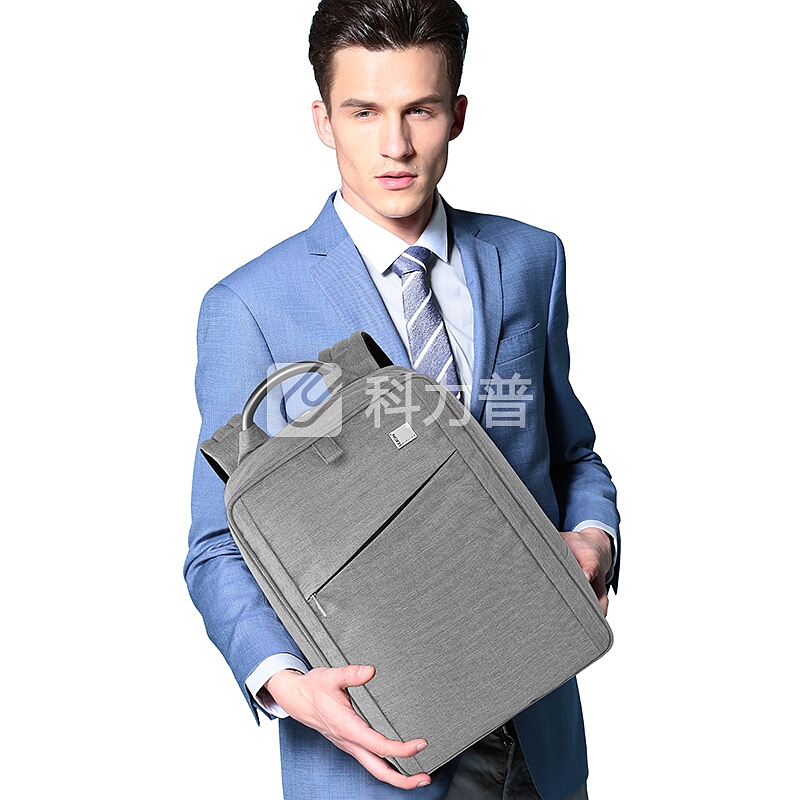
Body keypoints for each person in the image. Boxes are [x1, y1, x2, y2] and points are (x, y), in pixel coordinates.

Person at [184, 1, 620, 798]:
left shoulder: (530, 259)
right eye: (364, 112)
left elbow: (569, 452)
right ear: (323, 120)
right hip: (376, 745)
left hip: (541, 735)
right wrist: (286, 684)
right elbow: (219, 543)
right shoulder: (252, 308)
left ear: (457, 114)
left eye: (419, 109)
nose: (396, 145)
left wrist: (595, 539)